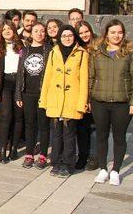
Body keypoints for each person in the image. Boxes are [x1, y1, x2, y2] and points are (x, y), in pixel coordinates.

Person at [89, 19, 133, 186]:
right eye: (113, 32)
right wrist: (88, 99)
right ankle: (103, 169)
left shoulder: (130, 52)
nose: (116, 35)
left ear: (123, 33)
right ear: (106, 34)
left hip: (122, 103)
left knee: (119, 137)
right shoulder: (96, 51)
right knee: (101, 135)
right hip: (99, 102)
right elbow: (90, 77)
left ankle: (116, 171)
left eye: (119, 32)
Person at [40, 25, 89, 178]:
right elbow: (48, 77)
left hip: (71, 100)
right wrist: (44, 99)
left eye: (70, 35)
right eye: (64, 36)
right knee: (56, 134)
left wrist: (82, 103)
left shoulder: (82, 54)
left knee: (69, 134)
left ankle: (68, 164)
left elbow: (84, 81)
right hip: (55, 99)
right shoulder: (54, 52)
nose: (67, 38)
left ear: (74, 37)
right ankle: (56, 162)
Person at [15, 22, 51, 169]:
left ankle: (43, 155)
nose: (39, 33)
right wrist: (18, 94)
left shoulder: (49, 49)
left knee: (44, 125)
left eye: (42, 31)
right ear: (31, 33)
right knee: (29, 124)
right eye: (36, 31)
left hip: (43, 93)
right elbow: (19, 73)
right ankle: (29, 154)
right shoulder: (25, 50)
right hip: (27, 93)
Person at [0, 20, 24, 164]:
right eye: (4, 29)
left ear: (14, 30)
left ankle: (14, 148)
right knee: (5, 116)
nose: (7, 31)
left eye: (10, 29)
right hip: (5, 84)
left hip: (20, 83)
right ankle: (3, 149)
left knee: (18, 117)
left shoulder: (22, 46)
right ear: (1, 33)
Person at [75, 20, 98, 170]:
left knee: (96, 128)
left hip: (96, 92)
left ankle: (95, 158)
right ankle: (83, 155)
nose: (84, 35)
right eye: (81, 33)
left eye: (86, 31)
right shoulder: (76, 49)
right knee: (82, 127)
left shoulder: (99, 48)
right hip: (79, 92)